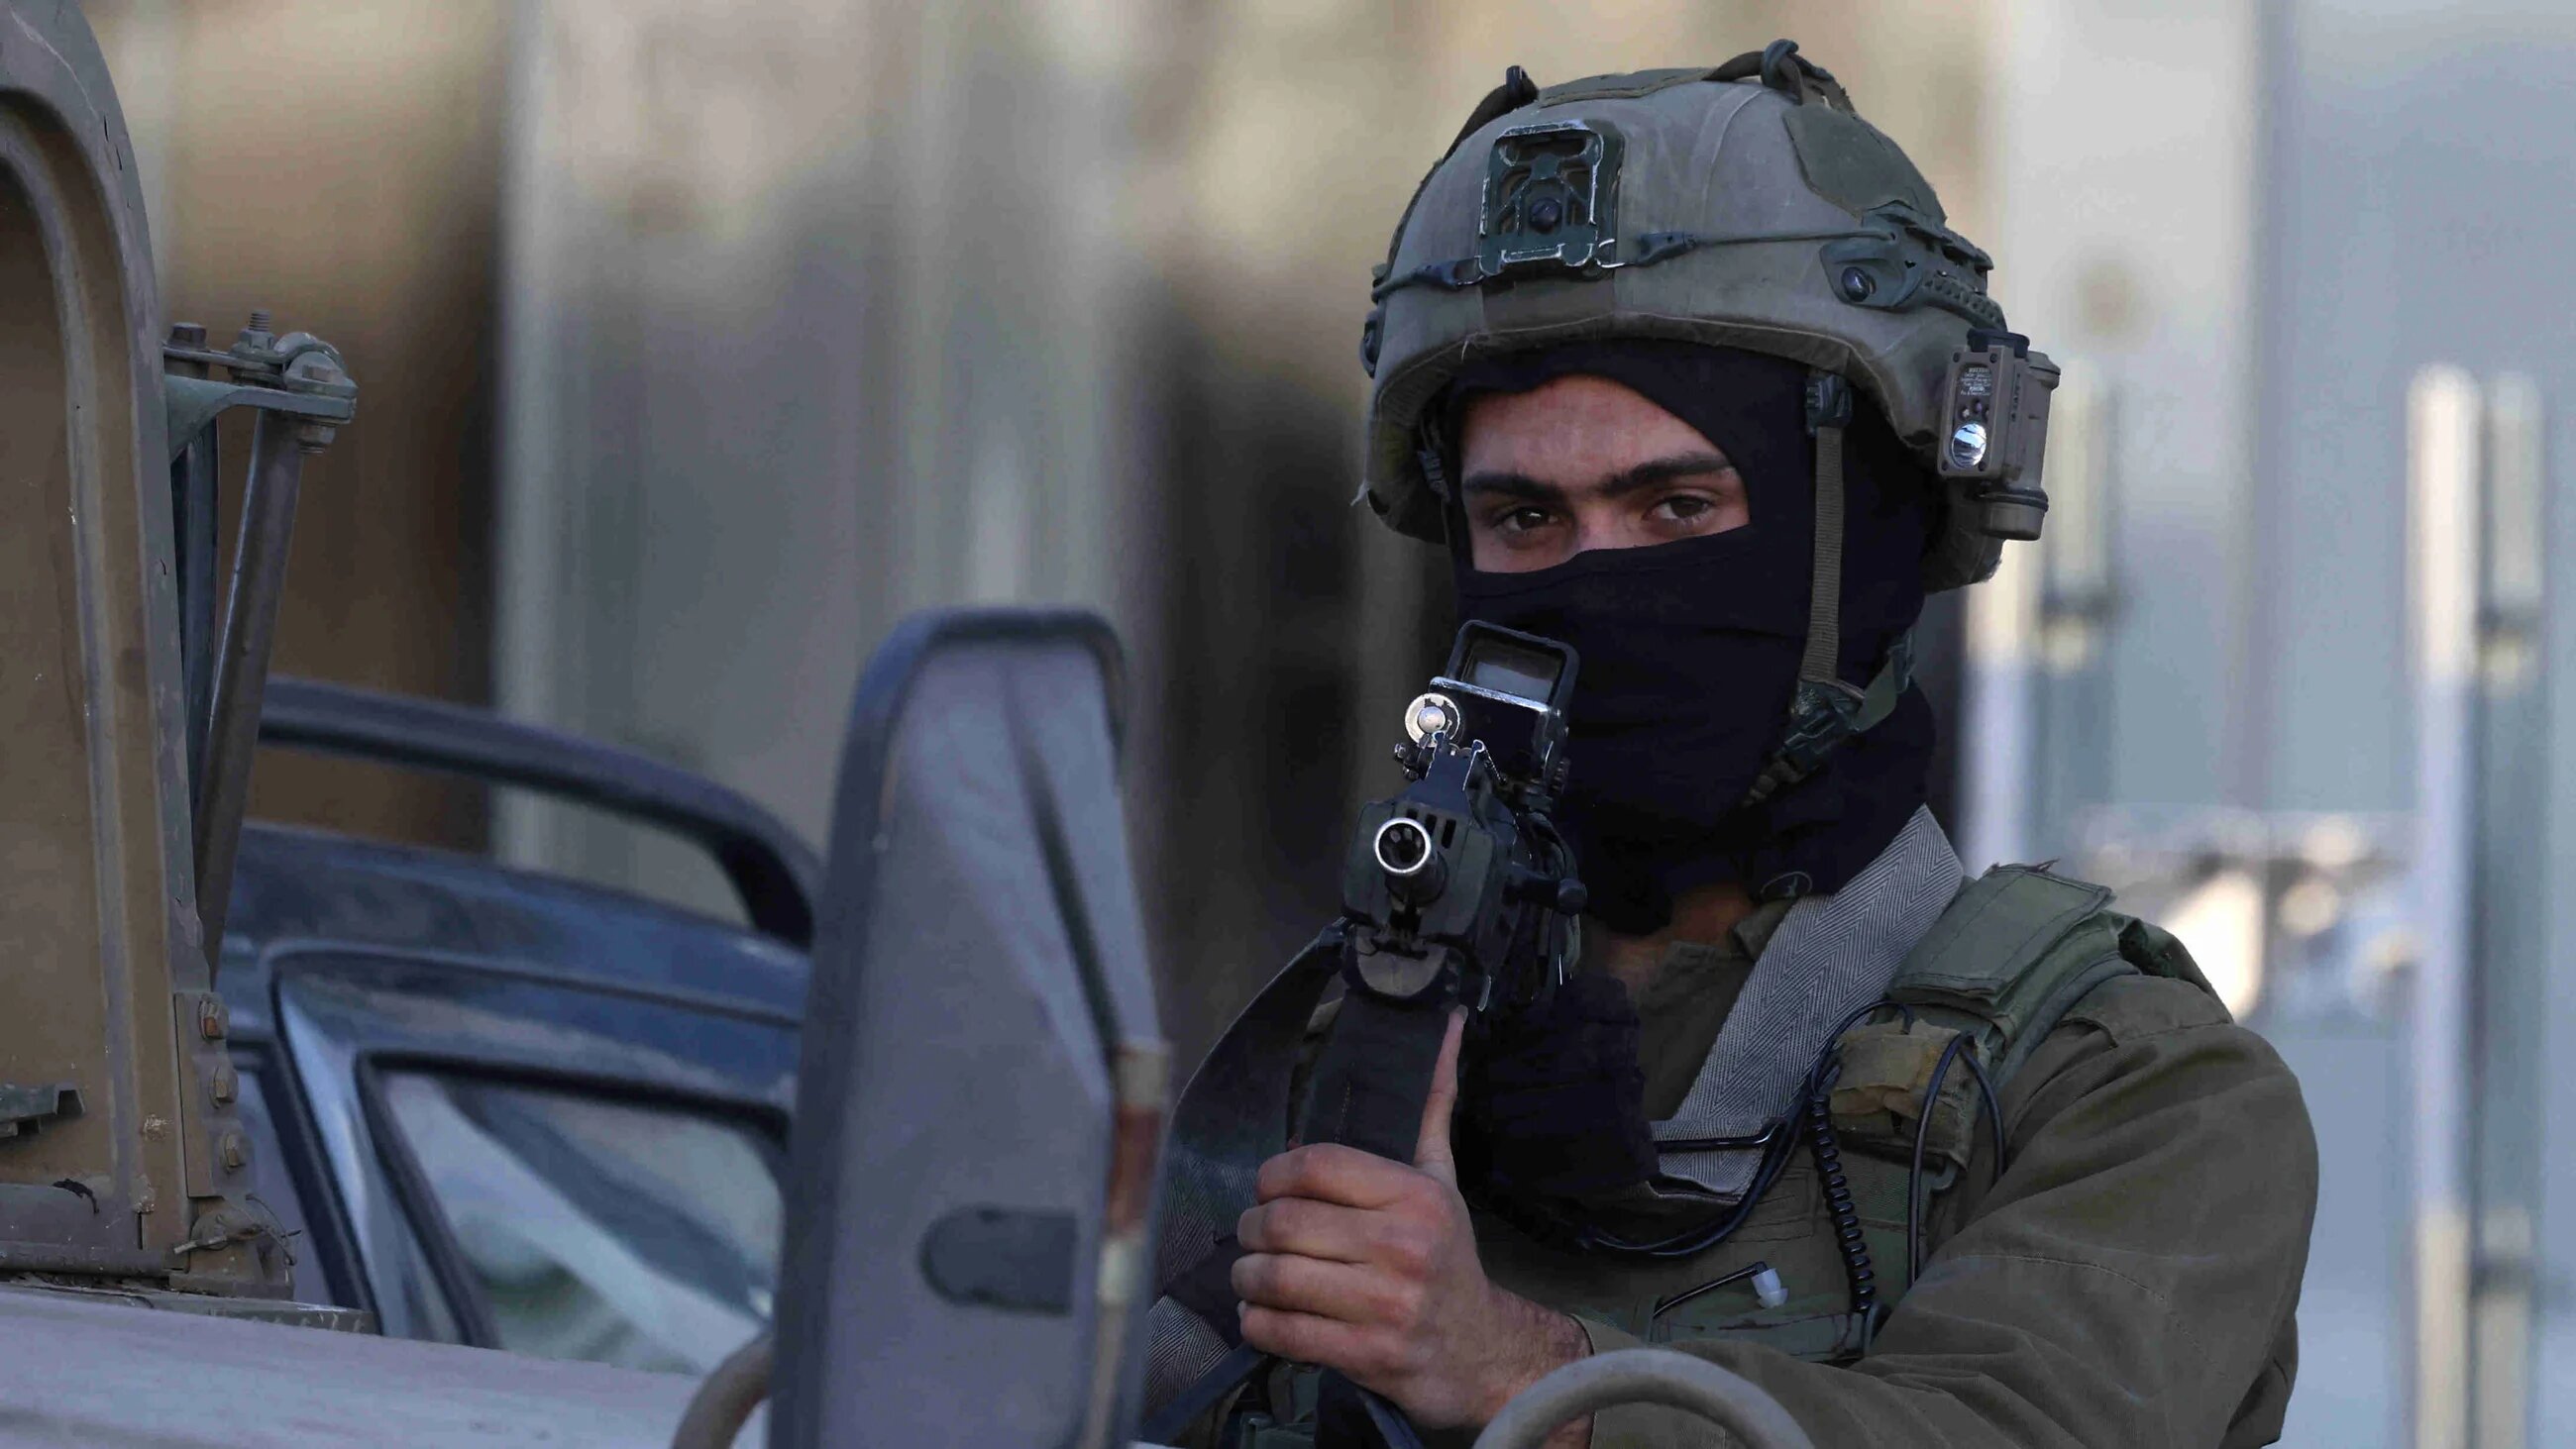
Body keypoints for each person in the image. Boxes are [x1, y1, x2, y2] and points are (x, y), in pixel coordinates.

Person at [1147, 44, 2317, 1449]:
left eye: (1677, 509)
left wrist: (1523, 1376)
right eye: (1525, 522)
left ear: (1869, 539)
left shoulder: (2127, 1090)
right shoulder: (1374, 1035)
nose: (1593, 582)